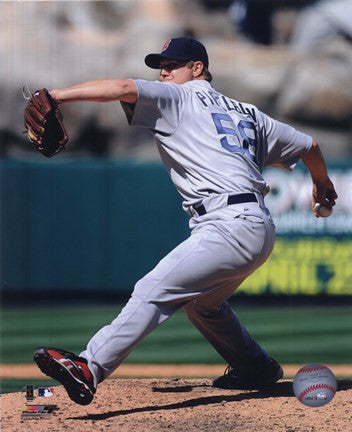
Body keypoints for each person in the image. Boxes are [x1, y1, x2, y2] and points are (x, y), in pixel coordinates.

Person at [33, 37, 337, 405]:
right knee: (202, 304)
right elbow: (310, 147)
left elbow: (124, 87)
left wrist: (56, 95)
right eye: (160, 65)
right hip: (257, 226)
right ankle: (255, 366)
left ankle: (89, 367)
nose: (163, 72)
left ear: (197, 69)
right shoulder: (249, 113)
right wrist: (322, 184)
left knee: (152, 290)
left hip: (228, 225)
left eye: (171, 65)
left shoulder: (179, 96)